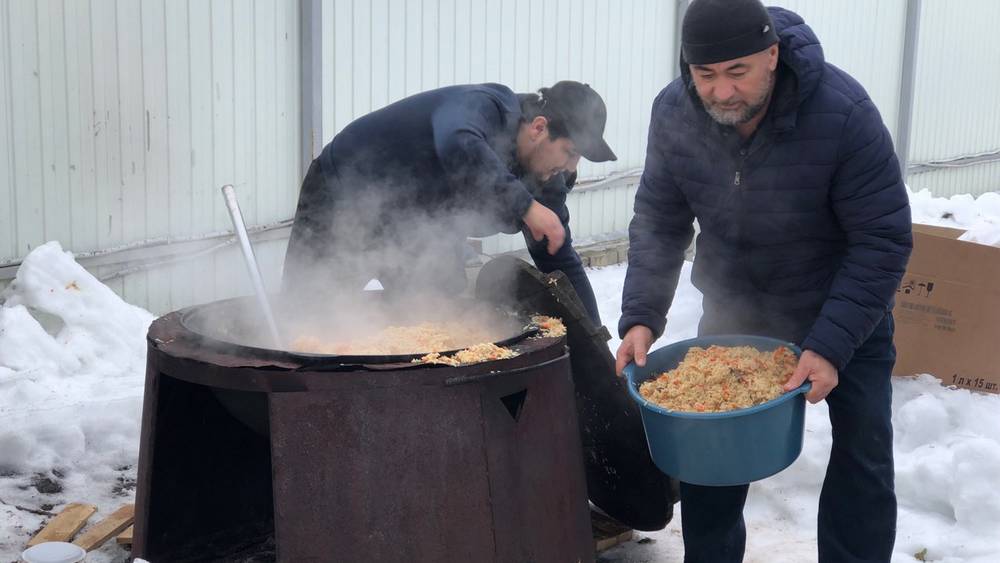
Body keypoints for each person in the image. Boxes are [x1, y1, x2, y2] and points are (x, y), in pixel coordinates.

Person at [614, 1, 912, 561]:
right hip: (736, 309)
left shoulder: (843, 113)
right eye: (705, 74)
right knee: (708, 457)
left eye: (738, 72)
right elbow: (659, 219)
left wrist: (830, 346)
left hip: (842, 308)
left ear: (772, 55)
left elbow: (883, 240)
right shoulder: (674, 111)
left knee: (863, 454)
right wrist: (641, 316)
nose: (722, 92)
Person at [283, 81, 617, 323]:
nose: (570, 168)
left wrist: (596, 341)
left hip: (419, 227)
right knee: (311, 315)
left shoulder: (547, 178)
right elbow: (458, 145)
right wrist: (526, 207)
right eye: (570, 152)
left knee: (439, 319)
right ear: (539, 128)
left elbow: (561, 261)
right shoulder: (485, 107)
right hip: (344, 194)